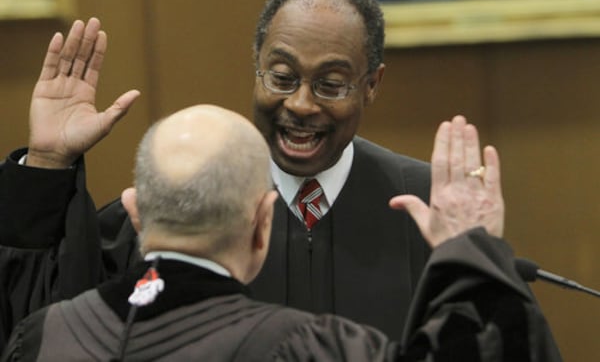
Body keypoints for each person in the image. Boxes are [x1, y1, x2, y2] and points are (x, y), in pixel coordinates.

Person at [0, 0, 434, 349]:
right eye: (281, 78)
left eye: (331, 84)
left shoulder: (427, 208)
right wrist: (47, 162)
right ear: (256, 66)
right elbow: (44, 325)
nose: (301, 104)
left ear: (371, 84)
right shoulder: (179, 202)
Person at [0, 105, 562, 361]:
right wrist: (474, 258)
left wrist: (48, 160)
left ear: (136, 212)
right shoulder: (316, 350)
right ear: (263, 221)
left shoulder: (46, 337)